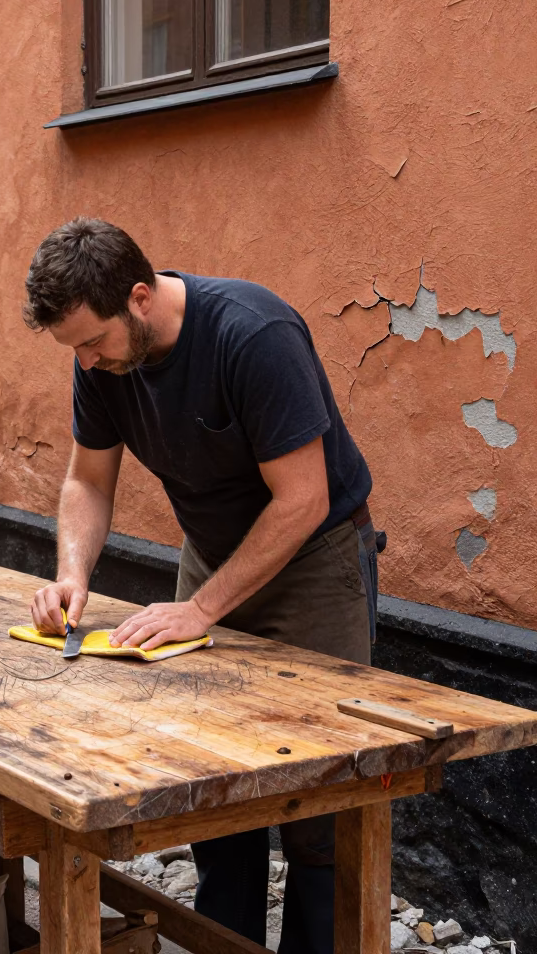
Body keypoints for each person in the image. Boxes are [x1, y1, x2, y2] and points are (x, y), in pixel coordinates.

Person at [22, 216, 380, 954]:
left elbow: (304, 499)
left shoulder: (253, 334)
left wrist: (202, 608)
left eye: (93, 342)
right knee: (210, 780)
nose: (85, 363)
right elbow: (88, 480)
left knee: (321, 796)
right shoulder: (102, 362)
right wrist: (70, 576)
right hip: (212, 556)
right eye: (75, 349)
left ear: (141, 298)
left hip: (313, 559)